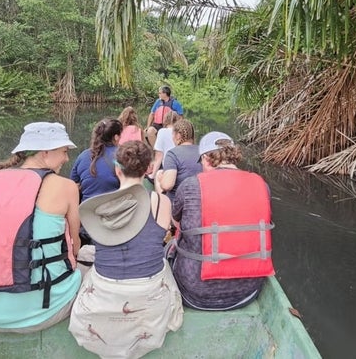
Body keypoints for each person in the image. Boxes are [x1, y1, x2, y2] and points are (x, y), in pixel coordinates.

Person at [0, 122, 82, 332]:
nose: (67, 158)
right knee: (93, 272)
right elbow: (75, 248)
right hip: (44, 310)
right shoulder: (65, 186)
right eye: (64, 151)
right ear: (45, 152)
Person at [69, 140, 183, 358]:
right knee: (164, 262)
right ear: (148, 168)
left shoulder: (98, 207)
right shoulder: (161, 202)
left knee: (85, 256)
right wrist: (158, 186)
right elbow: (161, 234)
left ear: (117, 169)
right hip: (147, 289)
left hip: (106, 290)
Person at [170, 131, 275, 311]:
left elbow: (176, 220)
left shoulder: (190, 185)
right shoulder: (262, 185)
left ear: (205, 158)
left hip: (194, 293)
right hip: (247, 292)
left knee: (169, 250)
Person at [71, 118, 122, 202]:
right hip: (114, 209)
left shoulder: (82, 156)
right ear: (116, 137)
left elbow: (74, 185)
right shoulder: (122, 155)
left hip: (86, 209)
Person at [155, 119, 202, 202]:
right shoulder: (203, 152)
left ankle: (163, 211)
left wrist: (161, 179)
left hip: (178, 204)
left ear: (178, 135)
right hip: (200, 200)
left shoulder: (172, 154)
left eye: (172, 134)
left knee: (159, 174)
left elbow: (167, 185)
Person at [148, 110, 177, 178]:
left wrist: (153, 175)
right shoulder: (180, 132)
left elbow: (159, 156)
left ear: (165, 120)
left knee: (159, 173)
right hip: (180, 166)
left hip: (168, 168)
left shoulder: (162, 132)